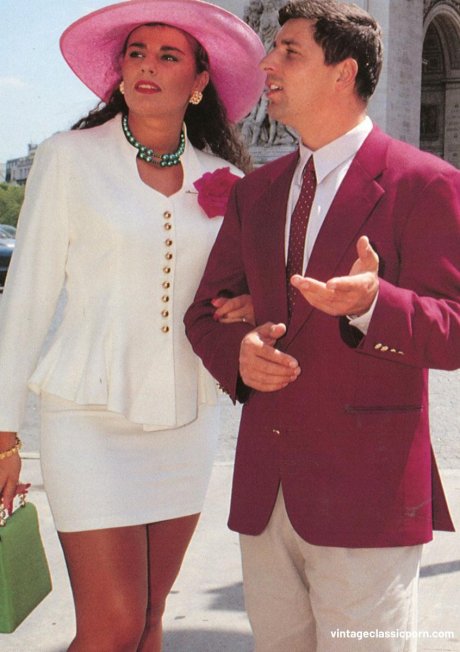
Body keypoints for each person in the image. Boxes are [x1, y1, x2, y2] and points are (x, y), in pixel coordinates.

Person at [185, 1, 460, 650]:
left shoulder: (427, 183)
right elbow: (206, 313)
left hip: (369, 498)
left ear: (344, 72)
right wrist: (240, 353)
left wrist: (373, 305)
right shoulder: (256, 191)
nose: (266, 62)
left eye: (289, 51)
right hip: (267, 493)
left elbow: (453, 330)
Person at [0, 1, 265, 649]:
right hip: (85, 421)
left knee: (148, 621)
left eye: (168, 56)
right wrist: (3, 432)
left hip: (187, 425)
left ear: (199, 81)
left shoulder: (228, 180)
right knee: (112, 624)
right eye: (136, 53)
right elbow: (26, 300)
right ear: (119, 71)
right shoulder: (68, 157)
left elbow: (234, 300)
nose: (147, 66)